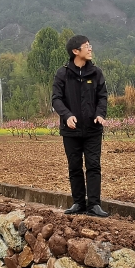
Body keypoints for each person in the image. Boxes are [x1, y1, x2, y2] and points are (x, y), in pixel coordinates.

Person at [51, 35, 109, 217]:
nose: (90, 48)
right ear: (76, 51)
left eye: (90, 45)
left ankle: (94, 205)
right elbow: (56, 99)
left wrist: (100, 114)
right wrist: (67, 115)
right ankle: (78, 203)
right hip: (71, 130)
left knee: (93, 165)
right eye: (86, 46)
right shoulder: (63, 73)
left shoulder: (96, 73)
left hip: (93, 129)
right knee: (74, 166)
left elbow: (103, 97)